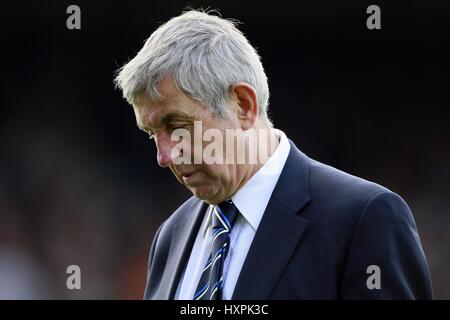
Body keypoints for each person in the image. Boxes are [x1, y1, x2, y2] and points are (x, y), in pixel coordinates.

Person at [114, 9, 432, 300]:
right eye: (152, 133)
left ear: (244, 105)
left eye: (177, 125)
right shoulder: (171, 236)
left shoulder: (363, 221)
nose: (164, 155)